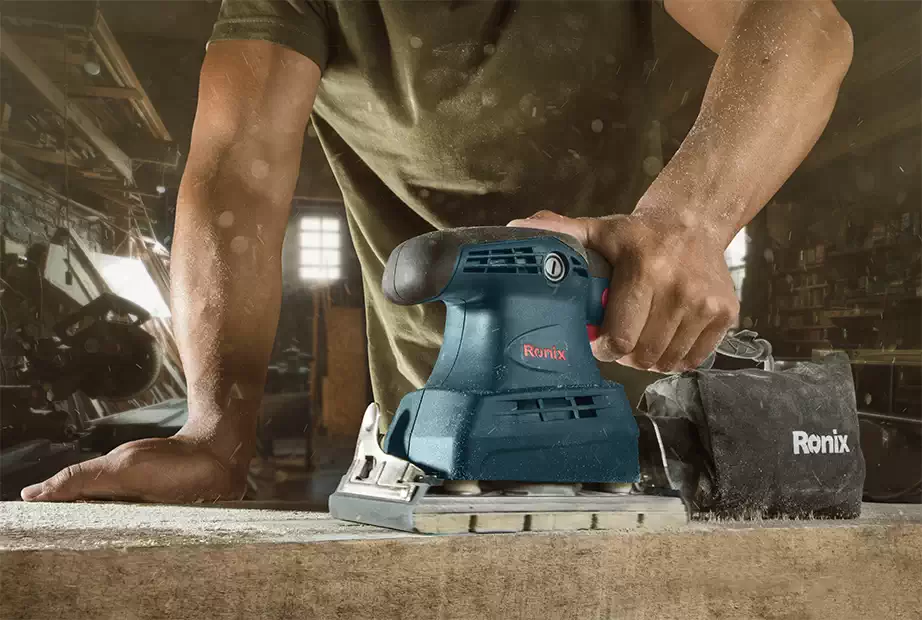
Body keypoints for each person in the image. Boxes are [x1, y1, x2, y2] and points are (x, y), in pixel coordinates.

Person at [21, 0, 852, 503]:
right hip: (433, 435)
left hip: (664, 411)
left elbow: (806, 25)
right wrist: (215, 430)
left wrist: (688, 219)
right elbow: (236, 172)